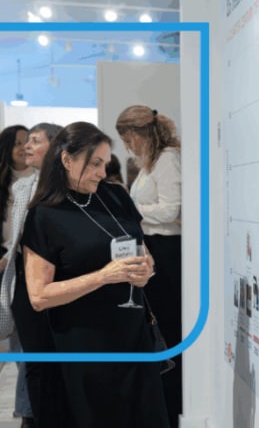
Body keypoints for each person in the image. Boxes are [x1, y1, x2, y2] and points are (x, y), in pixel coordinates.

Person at [21, 122, 168, 427]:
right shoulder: (44, 216)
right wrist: (103, 276)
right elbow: (38, 297)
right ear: (67, 160)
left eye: (105, 163)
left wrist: (146, 270)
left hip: (133, 336)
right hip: (83, 346)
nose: (102, 172)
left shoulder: (115, 197)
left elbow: (142, 250)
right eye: (95, 164)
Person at [116, 105, 183, 428]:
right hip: (155, 247)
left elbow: (171, 210)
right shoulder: (150, 163)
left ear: (137, 134)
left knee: (167, 327)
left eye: (127, 139)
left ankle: (172, 404)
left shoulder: (167, 159)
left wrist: (131, 209)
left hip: (168, 251)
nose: (127, 146)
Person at [6, 123, 63, 428]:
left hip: (60, 281)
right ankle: (35, 418)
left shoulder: (69, 187)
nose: (27, 146)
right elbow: (16, 239)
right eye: (25, 141)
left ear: (54, 146)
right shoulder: (20, 187)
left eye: (35, 141)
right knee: (33, 359)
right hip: (25, 281)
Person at [0, 125, 35, 427]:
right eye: (19, 143)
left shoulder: (39, 181)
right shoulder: (4, 185)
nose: (24, 148)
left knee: (23, 345)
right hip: (3, 268)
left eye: (30, 142)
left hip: (24, 269)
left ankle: (26, 411)